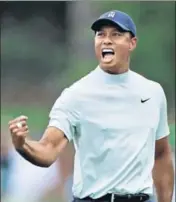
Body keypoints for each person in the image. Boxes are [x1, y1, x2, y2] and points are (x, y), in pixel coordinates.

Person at [8, 10, 174, 202]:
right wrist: (22, 145)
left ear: (132, 43)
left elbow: (161, 154)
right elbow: (48, 150)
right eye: (101, 34)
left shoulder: (153, 93)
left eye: (116, 34)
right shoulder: (76, 95)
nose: (106, 40)